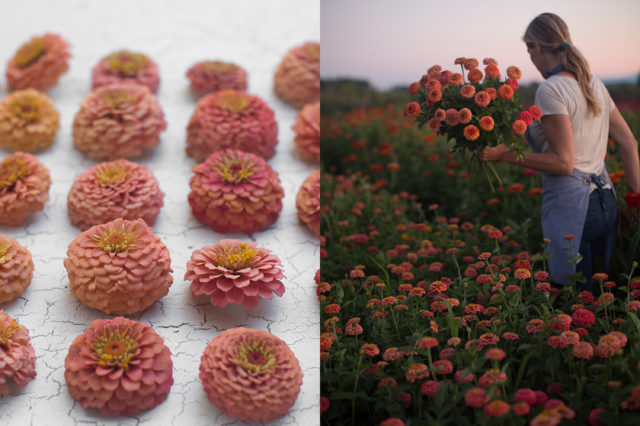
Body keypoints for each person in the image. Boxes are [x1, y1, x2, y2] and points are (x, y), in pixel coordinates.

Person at [479, 12, 640, 291]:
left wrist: (501, 156)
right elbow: (629, 143)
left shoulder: (551, 89)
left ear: (537, 48)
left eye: (529, 49)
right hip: (607, 201)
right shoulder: (594, 84)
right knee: (603, 296)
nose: (530, 57)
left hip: (575, 207)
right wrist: (637, 200)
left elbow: (564, 163)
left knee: (573, 297)